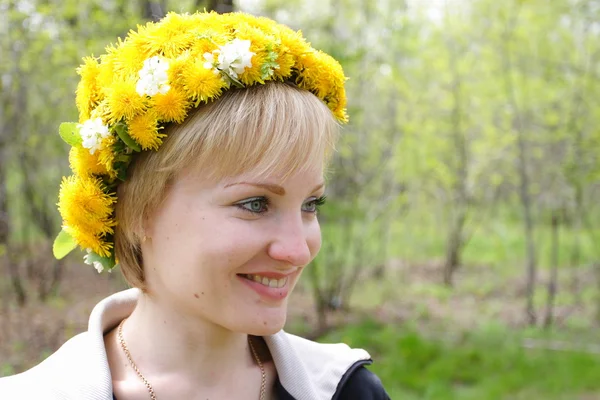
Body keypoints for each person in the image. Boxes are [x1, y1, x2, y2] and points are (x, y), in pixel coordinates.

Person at [0, 11, 391, 400]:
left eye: (310, 204)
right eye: (255, 203)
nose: (297, 249)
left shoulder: (346, 389)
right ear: (137, 211)